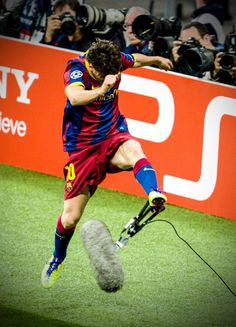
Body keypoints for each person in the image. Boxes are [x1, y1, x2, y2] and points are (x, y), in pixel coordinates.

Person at [41, 38, 173, 288]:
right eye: (103, 75)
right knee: (70, 218)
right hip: (83, 149)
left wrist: (156, 60)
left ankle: (154, 192)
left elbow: (135, 60)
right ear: (92, 66)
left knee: (134, 148)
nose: (110, 76)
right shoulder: (76, 68)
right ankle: (57, 257)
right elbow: (75, 96)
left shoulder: (112, 60)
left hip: (113, 133)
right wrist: (102, 90)